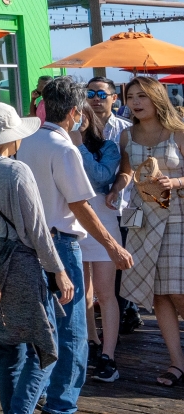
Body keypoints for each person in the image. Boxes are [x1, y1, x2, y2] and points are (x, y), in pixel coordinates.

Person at [18, 76, 132, 411]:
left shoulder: (26, 142)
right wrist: (112, 246)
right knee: (71, 334)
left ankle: (36, 397)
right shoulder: (65, 148)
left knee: (44, 330)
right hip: (62, 243)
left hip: (32, 242)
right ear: (73, 112)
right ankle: (61, 405)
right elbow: (80, 205)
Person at [0, 103, 74, 414]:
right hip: (20, 263)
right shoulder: (17, 171)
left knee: (9, 351)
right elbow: (37, 228)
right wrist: (58, 270)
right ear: (11, 138)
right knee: (44, 349)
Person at [112, 75, 184, 385]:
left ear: (156, 98)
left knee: (178, 291)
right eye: (130, 97)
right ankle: (177, 363)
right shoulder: (127, 135)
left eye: (141, 96)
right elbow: (126, 173)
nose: (135, 102)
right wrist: (116, 188)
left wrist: (176, 181)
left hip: (177, 217)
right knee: (157, 294)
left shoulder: (178, 132)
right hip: (142, 218)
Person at [75, 85, 123, 383]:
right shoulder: (64, 146)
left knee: (106, 294)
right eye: (75, 114)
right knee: (82, 294)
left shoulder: (109, 147)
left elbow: (100, 177)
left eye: (83, 115)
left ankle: (108, 355)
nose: (78, 119)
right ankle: (90, 342)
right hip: (75, 226)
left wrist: (78, 145)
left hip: (104, 223)